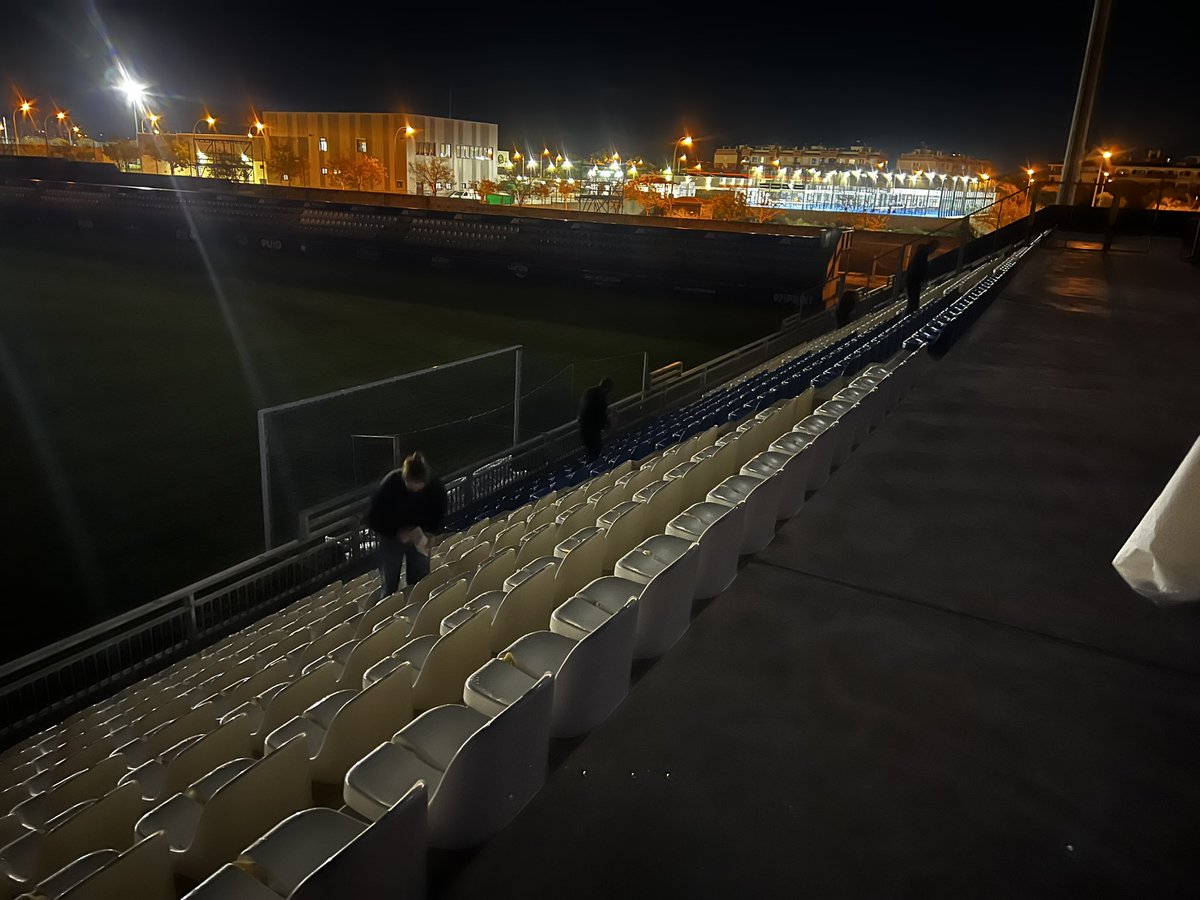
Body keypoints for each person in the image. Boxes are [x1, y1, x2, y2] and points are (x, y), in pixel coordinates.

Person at [366, 451, 447, 596]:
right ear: (404, 477)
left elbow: (439, 514)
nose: (415, 491)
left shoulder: (435, 487)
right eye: (411, 487)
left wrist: (430, 533)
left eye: (419, 488)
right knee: (390, 583)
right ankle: (388, 610)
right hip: (392, 538)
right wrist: (396, 533)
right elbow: (373, 518)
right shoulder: (390, 484)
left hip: (420, 538)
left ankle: (416, 606)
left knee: (420, 581)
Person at [578, 377, 614, 461]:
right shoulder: (600, 397)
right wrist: (607, 425)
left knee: (591, 451)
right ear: (607, 388)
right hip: (591, 429)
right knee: (595, 451)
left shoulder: (589, 391)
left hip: (583, 427)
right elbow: (600, 414)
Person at [904, 240, 938, 314]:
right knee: (913, 303)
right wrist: (923, 280)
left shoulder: (920, 256)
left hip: (912, 282)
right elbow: (919, 270)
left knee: (912, 302)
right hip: (914, 282)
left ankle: (910, 316)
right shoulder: (922, 257)